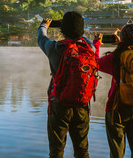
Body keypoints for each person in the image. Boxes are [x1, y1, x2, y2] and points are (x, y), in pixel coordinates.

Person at [37, 11, 95, 158]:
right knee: (82, 150)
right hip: (82, 103)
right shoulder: (90, 49)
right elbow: (84, 39)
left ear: (62, 30)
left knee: (56, 151)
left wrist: (44, 25)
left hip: (59, 103)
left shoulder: (55, 48)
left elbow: (41, 38)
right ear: (81, 30)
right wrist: (79, 31)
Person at [93, 23, 133, 158]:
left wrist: (97, 44)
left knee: (117, 152)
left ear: (122, 37)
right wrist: (122, 44)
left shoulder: (116, 57)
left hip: (117, 108)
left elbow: (95, 63)